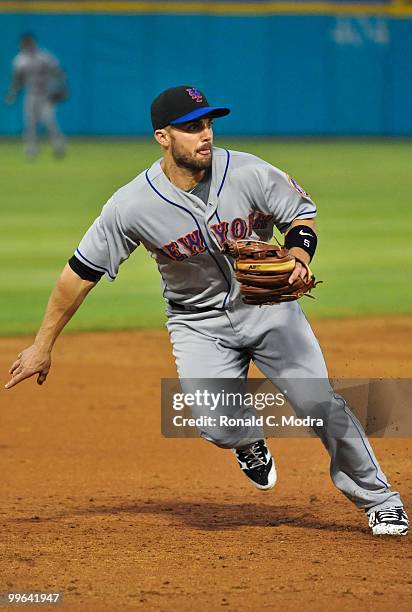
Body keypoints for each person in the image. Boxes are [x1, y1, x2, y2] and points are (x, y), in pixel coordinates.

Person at [5, 85, 408, 537]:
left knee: (319, 403)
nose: (206, 135)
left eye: (210, 124)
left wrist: (298, 256)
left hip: (270, 310)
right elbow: (79, 273)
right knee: (218, 427)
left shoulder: (249, 171)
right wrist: (43, 344)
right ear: (163, 137)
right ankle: (246, 439)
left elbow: (300, 214)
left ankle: (381, 500)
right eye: (192, 127)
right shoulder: (131, 205)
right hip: (197, 324)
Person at [5, 33, 66, 159]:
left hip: (46, 95)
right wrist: (12, 93)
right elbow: (17, 80)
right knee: (30, 124)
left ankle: (58, 146)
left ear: (33, 43)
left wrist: (62, 88)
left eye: (28, 43)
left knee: (49, 121)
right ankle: (31, 150)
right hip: (31, 95)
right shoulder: (19, 60)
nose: (26, 46)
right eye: (24, 44)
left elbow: (59, 72)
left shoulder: (44, 57)